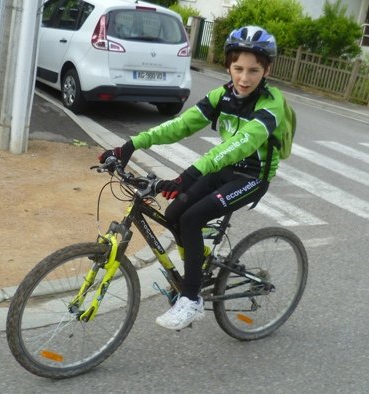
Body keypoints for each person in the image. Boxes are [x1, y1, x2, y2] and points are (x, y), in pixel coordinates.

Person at [99, 25, 291, 330]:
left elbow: (240, 143)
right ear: (228, 65)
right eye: (238, 68)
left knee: (191, 219)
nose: (244, 78)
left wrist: (189, 175)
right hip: (223, 170)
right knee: (175, 213)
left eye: (253, 70)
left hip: (251, 177)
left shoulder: (271, 104)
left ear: (267, 70)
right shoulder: (222, 96)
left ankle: (191, 300)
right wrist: (131, 144)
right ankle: (200, 264)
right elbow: (181, 125)